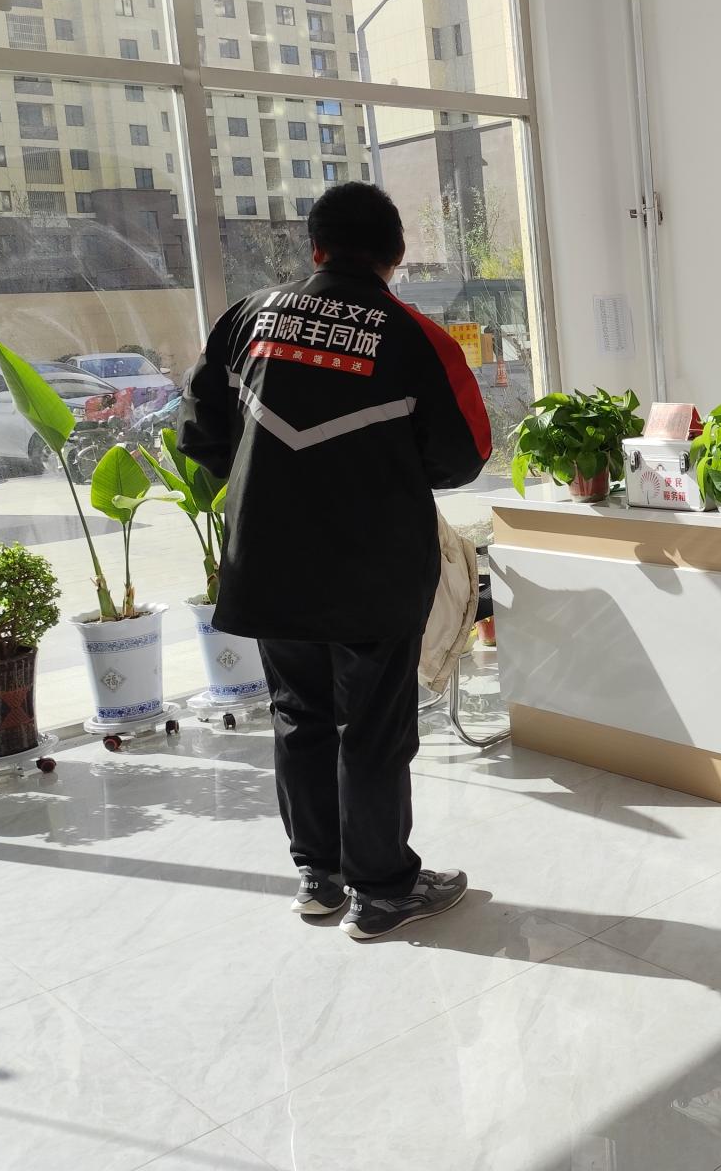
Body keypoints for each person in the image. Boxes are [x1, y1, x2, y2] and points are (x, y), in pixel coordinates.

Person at [179, 183, 492, 939]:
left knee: (300, 715)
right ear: (396, 254)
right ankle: (382, 889)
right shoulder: (415, 336)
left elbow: (199, 434)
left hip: (269, 559)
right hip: (373, 566)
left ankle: (319, 877)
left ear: (314, 247)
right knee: (374, 727)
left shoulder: (246, 318)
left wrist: (276, 484)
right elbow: (463, 455)